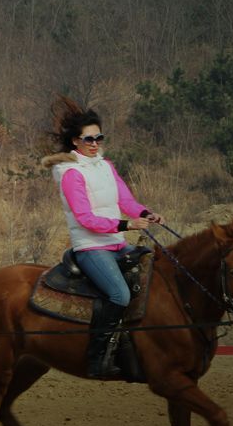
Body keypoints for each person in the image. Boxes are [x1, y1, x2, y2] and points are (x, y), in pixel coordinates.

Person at [42, 96, 164, 378]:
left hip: (116, 244)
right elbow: (86, 219)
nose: (95, 143)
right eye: (88, 139)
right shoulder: (71, 173)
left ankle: (133, 346)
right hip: (91, 248)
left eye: (99, 137)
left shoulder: (105, 166)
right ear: (75, 142)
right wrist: (127, 225)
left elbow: (126, 200)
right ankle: (97, 358)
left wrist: (146, 213)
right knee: (119, 294)